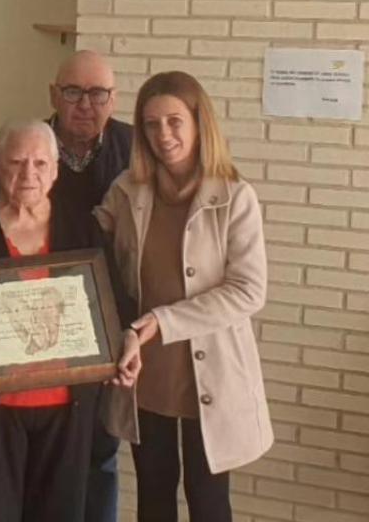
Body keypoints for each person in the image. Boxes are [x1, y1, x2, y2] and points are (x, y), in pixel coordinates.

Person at [0, 120, 136, 522]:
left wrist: (128, 339)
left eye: (39, 163)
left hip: (67, 410)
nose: (28, 174)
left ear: (55, 169)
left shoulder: (81, 226)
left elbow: (114, 298)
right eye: (16, 162)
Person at [98, 71, 273, 522]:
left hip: (210, 373)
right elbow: (89, 253)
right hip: (146, 368)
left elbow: (248, 291)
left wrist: (162, 321)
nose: (163, 135)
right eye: (151, 124)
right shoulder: (126, 191)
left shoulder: (235, 196)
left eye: (175, 121)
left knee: (209, 501)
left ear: (199, 123)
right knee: (154, 497)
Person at [0, 49, 130, 521]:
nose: (85, 103)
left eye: (98, 93)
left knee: (95, 468)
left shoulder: (136, 148)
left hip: (89, 357)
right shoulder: (20, 144)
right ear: (53, 94)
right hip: (10, 373)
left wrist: (126, 337)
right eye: (73, 91)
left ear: (113, 98)